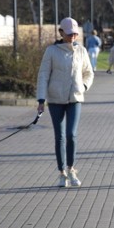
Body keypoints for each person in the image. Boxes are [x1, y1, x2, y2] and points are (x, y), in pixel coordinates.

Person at [37, 17, 94, 188]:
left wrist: (83, 86)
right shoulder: (52, 51)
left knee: (71, 134)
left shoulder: (82, 51)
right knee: (60, 136)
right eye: (69, 34)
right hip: (55, 99)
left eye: (75, 34)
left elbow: (88, 72)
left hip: (75, 97)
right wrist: (41, 99)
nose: (73, 37)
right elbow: (43, 75)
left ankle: (71, 169)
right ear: (61, 32)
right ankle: (62, 172)